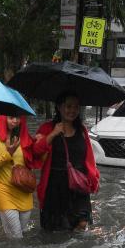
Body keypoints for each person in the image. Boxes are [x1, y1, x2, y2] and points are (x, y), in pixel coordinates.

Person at [33, 91, 100, 231]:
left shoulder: (82, 130)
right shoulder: (47, 128)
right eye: (68, 106)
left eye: (76, 107)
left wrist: (94, 178)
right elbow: (36, 152)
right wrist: (52, 134)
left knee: (82, 224)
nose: (72, 110)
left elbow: (89, 157)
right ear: (59, 107)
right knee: (56, 231)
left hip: (79, 185)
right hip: (54, 187)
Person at [0, 115, 38, 239]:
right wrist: (8, 154)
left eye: (18, 118)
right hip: (5, 191)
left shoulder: (24, 138)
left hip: (24, 191)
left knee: (22, 232)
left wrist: (39, 144)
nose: (15, 121)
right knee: (17, 237)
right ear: (3, 118)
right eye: (11, 117)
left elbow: (34, 161)